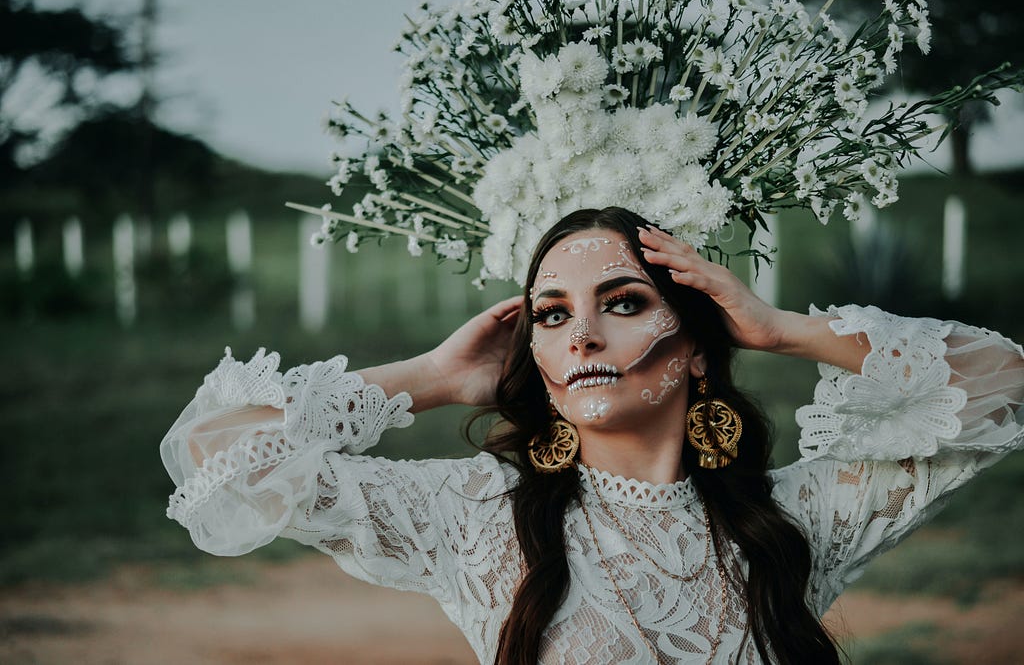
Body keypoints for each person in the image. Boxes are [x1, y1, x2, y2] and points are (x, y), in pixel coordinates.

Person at [162, 207, 1024, 664]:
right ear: (534, 352)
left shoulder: (799, 517)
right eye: (551, 313)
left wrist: (778, 328)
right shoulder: (474, 517)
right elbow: (214, 459)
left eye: (623, 303)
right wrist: (428, 378)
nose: (580, 336)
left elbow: (1007, 381)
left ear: (693, 347)